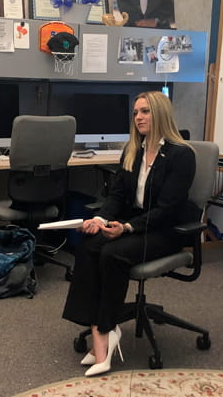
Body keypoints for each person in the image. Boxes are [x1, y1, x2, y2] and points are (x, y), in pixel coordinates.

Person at [62, 91, 197, 376]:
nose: (138, 118)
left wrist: (126, 228)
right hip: (134, 222)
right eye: (135, 113)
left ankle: (106, 330)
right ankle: (102, 330)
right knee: (89, 242)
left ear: (160, 113)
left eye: (145, 111)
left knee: (112, 253)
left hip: (166, 229)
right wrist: (100, 219)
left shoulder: (181, 155)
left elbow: (169, 209)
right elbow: (117, 195)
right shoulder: (133, 150)